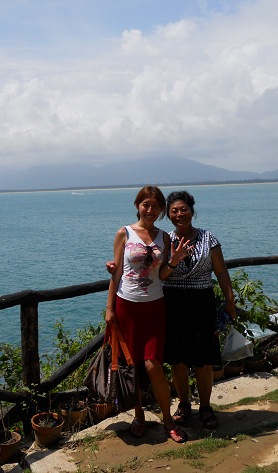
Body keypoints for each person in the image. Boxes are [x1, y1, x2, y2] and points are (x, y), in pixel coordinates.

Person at [107, 190, 236, 430]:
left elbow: (220, 271)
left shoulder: (207, 238)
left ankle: (205, 406)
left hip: (201, 303)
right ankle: (184, 405)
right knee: (177, 361)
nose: (179, 214)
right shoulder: (167, 239)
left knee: (203, 360)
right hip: (172, 303)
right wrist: (115, 265)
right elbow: (147, 265)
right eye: (174, 211)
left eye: (183, 209)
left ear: (192, 210)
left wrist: (230, 301)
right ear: (168, 214)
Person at [106, 186, 193, 443]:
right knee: (133, 366)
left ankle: (168, 420)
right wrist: (110, 309)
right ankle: (139, 416)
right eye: (146, 204)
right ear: (137, 206)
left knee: (153, 366)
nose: (150, 209)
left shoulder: (164, 237)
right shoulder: (124, 233)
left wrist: (174, 261)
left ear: (161, 209)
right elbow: (116, 273)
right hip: (127, 307)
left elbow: (162, 274)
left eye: (155, 206)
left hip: (155, 306)